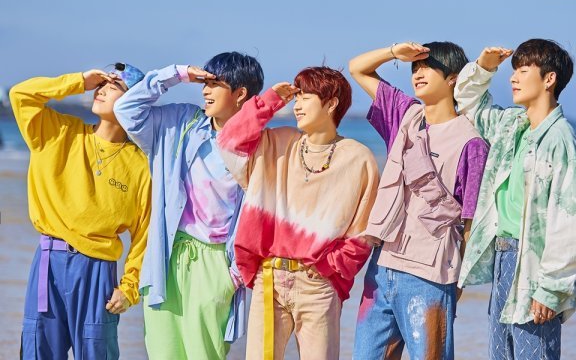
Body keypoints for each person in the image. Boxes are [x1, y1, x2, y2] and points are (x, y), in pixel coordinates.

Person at [217, 66, 379, 360]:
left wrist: (329, 267)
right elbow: (229, 140)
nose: (297, 105)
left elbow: (364, 232)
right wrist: (270, 100)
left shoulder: (358, 158)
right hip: (269, 279)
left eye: (306, 97)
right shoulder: (277, 143)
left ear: (331, 103)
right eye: (297, 97)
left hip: (318, 285)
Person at [113, 52, 264, 359]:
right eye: (204, 83)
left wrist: (233, 275)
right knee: (163, 353)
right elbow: (126, 109)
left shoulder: (259, 147)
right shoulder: (182, 122)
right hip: (165, 257)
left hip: (216, 264)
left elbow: (263, 215)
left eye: (215, 84)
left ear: (240, 94)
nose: (205, 90)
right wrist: (177, 74)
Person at [350, 42, 489, 359]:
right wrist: (393, 53)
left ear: (453, 78)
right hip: (382, 265)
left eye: (429, 67)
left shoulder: (471, 143)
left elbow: (471, 222)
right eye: (415, 68)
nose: (418, 73)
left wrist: (458, 282)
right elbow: (358, 68)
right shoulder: (405, 115)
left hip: (429, 275)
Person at [456, 40, 576, 360]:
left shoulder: (562, 142)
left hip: (536, 266)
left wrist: (552, 288)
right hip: (503, 258)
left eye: (523, 70)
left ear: (549, 79)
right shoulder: (511, 125)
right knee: (500, 353)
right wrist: (484, 67)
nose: (513, 78)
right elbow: (468, 104)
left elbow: (568, 221)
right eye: (514, 70)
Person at [11, 63, 151, 359]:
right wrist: (78, 82)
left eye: (114, 86)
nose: (102, 89)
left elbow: (145, 235)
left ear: (135, 102)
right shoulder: (57, 132)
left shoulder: (141, 166)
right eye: (102, 84)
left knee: (96, 351)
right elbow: (21, 95)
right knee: (37, 351)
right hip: (48, 263)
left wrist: (130, 287)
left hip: (97, 273)